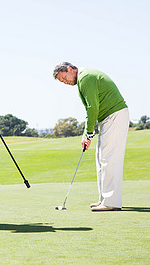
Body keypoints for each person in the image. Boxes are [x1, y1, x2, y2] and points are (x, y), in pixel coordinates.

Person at [53, 62, 129, 211]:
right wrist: (85, 135)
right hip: (108, 118)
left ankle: (111, 202)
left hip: (114, 115)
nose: (66, 82)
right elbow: (90, 110)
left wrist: (89, 133)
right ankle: (104, 199)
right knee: (101, 158)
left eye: (64, 78)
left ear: (70, 69)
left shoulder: (86, 77)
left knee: (108, 159)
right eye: (62, 81)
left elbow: (92, 107)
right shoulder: (83, 79)